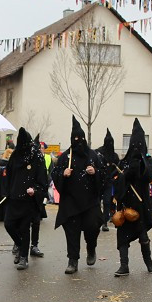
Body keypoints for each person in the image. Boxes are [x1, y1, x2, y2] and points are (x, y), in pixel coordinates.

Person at [52, 117, 103, 274]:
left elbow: (104, 176)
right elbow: (54, 174)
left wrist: (95, 173)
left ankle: (91, 247)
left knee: (93, 227)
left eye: (81, 138)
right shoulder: (65, 157)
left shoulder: (93, 156)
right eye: (75, 139)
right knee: (72, 231)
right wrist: (63, 174)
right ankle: (72, 260)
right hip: (71, 202)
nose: (78, 141)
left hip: (90, 202)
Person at [112, 119, 152, 276]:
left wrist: (139, 166)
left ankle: (148, 261)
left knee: (143, 235)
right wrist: (124, 175)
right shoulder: (123, 162)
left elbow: (149, 177)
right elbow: (114, 180)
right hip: (125, 205)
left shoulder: (149, 162)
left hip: (141, 205)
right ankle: (124, 265)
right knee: (122, 236)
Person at [2, 128, 49, 271]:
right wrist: (7, 192)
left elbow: (43, 180)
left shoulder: (37, 157)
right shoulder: (15, 156)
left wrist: (34, 190)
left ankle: (23, 258)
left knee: (24, 228)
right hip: (14, 198)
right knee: (8, 224)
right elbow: (9, 175)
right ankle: (22, 245)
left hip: (28, 200)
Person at [97, 130, 118, 231]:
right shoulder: (99, 152)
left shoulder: (114, 156)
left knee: (106, 202)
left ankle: (104, 222)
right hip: (99, 181)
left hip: (109, 182)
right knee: (96, 201)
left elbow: (117, 168)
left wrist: (112, 175)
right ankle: (97, 219)